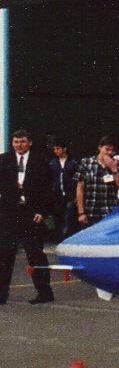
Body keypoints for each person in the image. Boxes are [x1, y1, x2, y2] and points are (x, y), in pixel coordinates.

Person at [0, 129, 59, 304]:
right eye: (16, 142)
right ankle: (2, 294)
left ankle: (45, 293)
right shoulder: (3, 160)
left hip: (31, 213)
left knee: (35, 254)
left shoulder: (41, 161)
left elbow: (49, 189)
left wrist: (42, 211)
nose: (19, 145)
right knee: (4, 255)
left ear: (30, 142)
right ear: (12, 143)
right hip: (9, 213)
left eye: (23, 141)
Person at [44, 135, 78, 238]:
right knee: (57, 217)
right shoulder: (52, 163)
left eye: (58, 148)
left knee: (69, 217)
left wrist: (77, 195)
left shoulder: (73, 163)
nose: (56, 151)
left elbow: (78, 181)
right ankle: (59, 237)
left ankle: (66, 237)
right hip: (57, 196)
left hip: (70, 195)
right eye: (54, 149)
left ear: (64, 148)